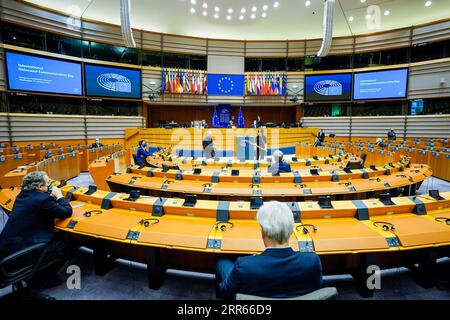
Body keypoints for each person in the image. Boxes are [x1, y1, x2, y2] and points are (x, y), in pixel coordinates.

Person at [216, 201, 323, 299]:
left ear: (263, 232)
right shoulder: (312, 261)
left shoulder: (244, 265)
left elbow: (224, 293)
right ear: (291, 231)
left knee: (222, 262)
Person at [0, 171, 75, 285]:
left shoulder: (22, 195)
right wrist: (59, 196)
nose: (50, 185)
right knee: (69, 241)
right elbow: (66, 212)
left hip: (8, 250)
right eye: (48, 183)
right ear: (40, 187)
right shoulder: (43, 200)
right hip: (23, 254)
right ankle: (44, 278)